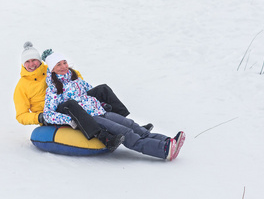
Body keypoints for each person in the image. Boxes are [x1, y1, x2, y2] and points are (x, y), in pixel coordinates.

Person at [41, 49, 185, 161]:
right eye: (58, 64)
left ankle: (167, 141)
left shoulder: (75, 79)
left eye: (64, 62)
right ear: (52, 69)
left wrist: (101, 103)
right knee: (125, 132)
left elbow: (91, 92)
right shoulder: (53, 89)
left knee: (132, 125)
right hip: (91, 119)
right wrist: (69, 120)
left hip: (99, 111)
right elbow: (48, 113)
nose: (63, 66)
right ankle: (163, 150)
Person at [14, 42, 138, 150]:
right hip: (54, 111)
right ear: (23, 64)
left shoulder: (50, 67)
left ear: (39, 60)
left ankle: (124, 123)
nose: (32, 64)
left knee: (103, 89)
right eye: (27, 61)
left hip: (72, 99)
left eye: (34, 60)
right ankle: (103, 136)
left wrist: (73, 77)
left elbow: (74, 76)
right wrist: (40, 117)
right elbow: (21, 116)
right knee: (71, 105)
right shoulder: (21, 87)